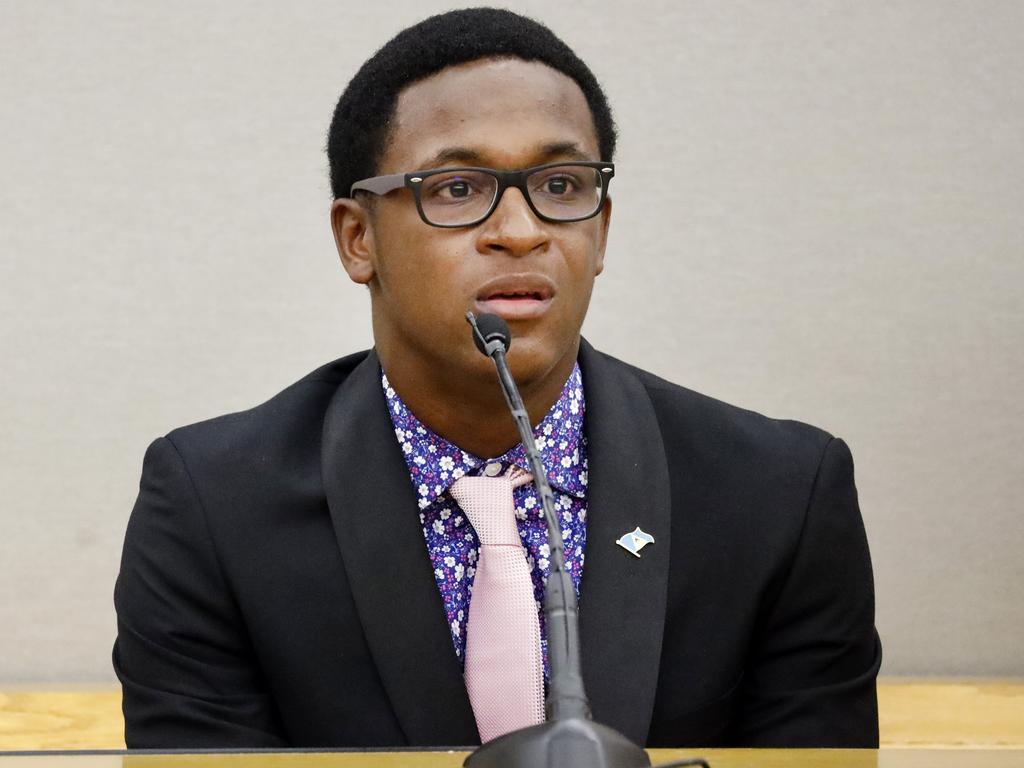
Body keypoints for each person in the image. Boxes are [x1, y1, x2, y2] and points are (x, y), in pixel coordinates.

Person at [113, 7, 881, 750]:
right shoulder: (213, 507)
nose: (521, 231)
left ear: (602, 228)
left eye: (560, 186)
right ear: (358, 239)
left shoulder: (780, 497)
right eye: (457, 190)